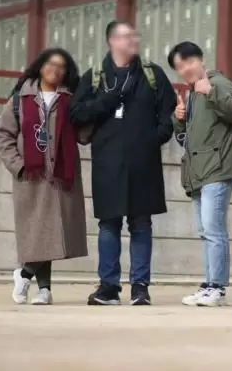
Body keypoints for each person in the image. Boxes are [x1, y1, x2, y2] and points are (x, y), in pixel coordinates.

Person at [70, 21, 176, 306]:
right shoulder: (95, 77)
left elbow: (168, 113)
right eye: (127, 36)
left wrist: (154, 139)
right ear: (111, 41)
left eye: (134, 36)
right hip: (108, 161)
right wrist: (107, 99)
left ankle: (140, 287)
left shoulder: (153, 75)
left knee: (141, 223)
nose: (133, 40)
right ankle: (108, 286)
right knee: (108, 224)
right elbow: (77, 113)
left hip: (144, 160)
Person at [0, 48, 88, 306]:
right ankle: (38, 285)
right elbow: (4, 135)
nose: (55, 70)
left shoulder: (71, 99)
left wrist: (92, 109)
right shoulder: (19, 99)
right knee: (39, 231)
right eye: (51, 64)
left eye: (61, 67)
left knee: (49, 231)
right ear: (40, 66)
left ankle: (33, 281)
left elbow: (83, 135)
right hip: (31, 177)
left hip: (60, 174)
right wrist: (18, 166)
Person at [169, 41, 232, 308]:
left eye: (189, 62)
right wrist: (179, 118)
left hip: (218, 168)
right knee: (205, 230)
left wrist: (211, 92)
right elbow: (189, 137)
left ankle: (218, 287)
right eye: (180, 67)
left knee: (214, 230)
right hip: (200, 171)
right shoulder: (192, 95)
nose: (186, 70)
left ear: (201, 60)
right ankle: (210, 282)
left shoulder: (217, 83)